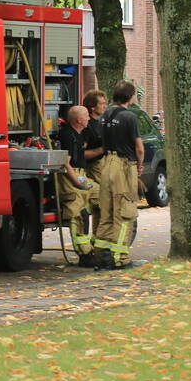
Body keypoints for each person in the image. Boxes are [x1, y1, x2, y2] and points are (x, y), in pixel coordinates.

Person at [93, 81, 143, 270]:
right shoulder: (129, 116)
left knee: (106, 212)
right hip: (123, 166)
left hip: (106, 164)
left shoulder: (104, 115)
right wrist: (138, 168)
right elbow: (139, 148)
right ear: (130, 96)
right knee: (124, 213)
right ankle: (119, 258)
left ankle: (101, 258)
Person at [57, 105, 97, 267]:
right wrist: (77, 182)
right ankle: (84, 253)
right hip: (70, 176)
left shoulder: (80, 134)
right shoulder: (67, 136)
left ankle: (97, 245)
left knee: (103, 198)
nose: (89, 118)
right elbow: (66, 164)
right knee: (78, 213)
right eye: (86, 115)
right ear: (79, 120)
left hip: (81, 174)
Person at [81, 89, 107, 234]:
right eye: (102, 104)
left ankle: (97, 240)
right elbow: (81, 154)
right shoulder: (87, 126)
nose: (104, 106)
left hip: (102, 166)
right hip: (92, 167)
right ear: (92, 107)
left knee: (100, 208)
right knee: (102, 203)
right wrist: (102, 150)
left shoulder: (99, 123)